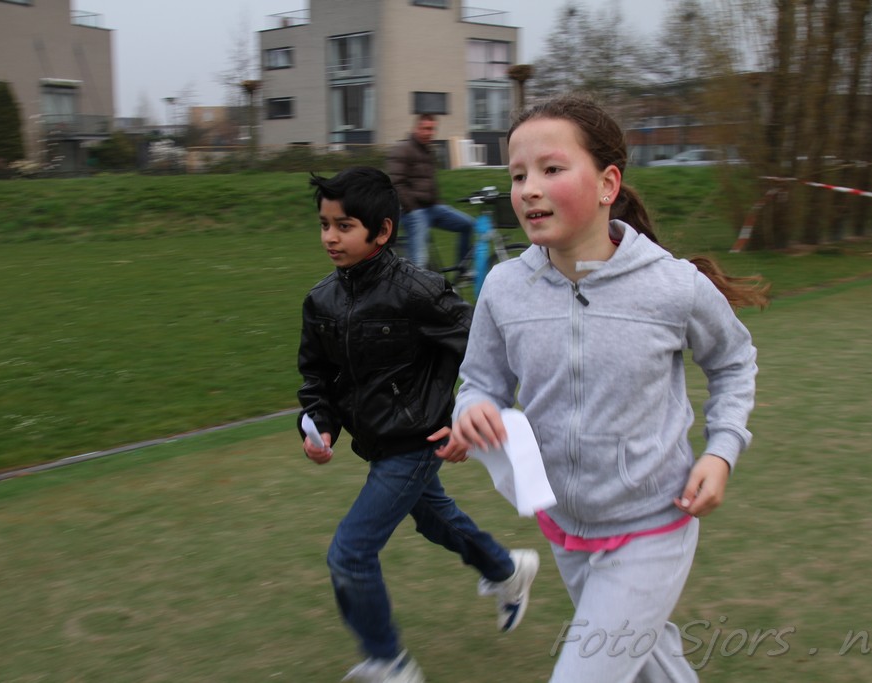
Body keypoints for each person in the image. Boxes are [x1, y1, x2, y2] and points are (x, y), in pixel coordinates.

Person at [442, 95, 769, 683]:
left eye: (551, 169)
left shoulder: (673, 286)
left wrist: (721, 452)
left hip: (655, 521)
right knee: (651, 668)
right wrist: (474, 409)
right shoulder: (504, 288)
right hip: (566, 525)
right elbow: (482, 381)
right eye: (518, 175)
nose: (529, 189)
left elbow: (733, 362)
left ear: (607, 184)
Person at [297, 166, 540, 683]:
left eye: (344, 226)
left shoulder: (418, 290)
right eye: (324, 225)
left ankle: (389, 662)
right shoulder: (321, 301)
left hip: (418, 440)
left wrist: (465, 419)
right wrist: (317, 425)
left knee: (350, 553)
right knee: (433, 519)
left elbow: (483, 348)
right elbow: (317, 377)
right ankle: (506, 569)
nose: (330, 237)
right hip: (377, 443)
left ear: (382, 231)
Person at [386, 113, 475, 270]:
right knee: (419, 261)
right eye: (425, 128)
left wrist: (437, 202)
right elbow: (396, 183)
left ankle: (462, 269)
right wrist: (412, 208)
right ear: (416, 128)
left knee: (468, 224)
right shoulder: (403, 149)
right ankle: (414, 283)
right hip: (412, 211)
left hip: (432, 208)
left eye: (432, 129)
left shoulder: (428, 150)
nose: (429, 133)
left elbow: (429, 182)